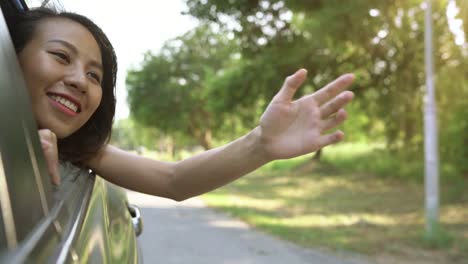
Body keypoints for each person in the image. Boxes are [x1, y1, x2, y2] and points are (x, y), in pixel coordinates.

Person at [12, 7, 355, 201]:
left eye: (94, 76)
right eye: (60, 56)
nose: (78, 81)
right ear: (8, 58)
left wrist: (261, 143)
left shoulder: (81, 149)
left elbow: (173, 180)